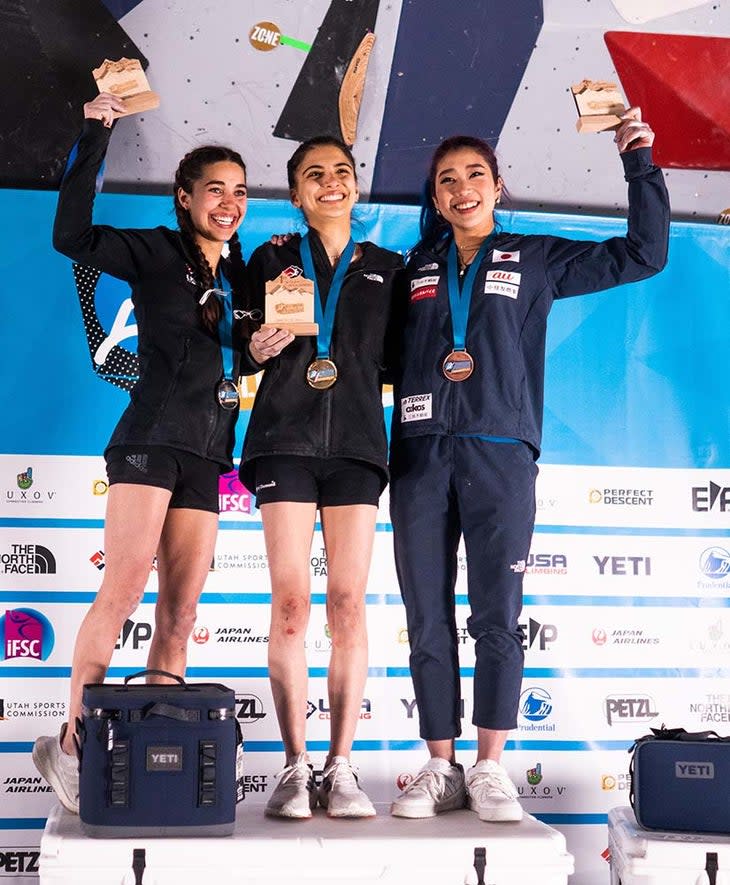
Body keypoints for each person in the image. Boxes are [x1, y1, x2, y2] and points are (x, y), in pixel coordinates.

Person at [389, 109, 669, 821]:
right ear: (434, 193)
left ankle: (489, 765)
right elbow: (374, 355)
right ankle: (439, 764)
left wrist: (637, 158)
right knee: (427, 615)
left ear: (498, 186)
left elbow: (644, 253)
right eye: (447, 180)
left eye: (474, 175)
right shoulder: (413, 269)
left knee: (497, 617)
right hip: (419, 454)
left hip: (501, 454)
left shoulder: (535, 257)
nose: (461, 189)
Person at [33, 92, 249, 813]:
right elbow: (72, 236)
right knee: (122, 591)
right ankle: (69, 742)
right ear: (185, 197)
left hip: (208, 452)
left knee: (180, 615)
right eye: (214, 188)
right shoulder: (156, 251)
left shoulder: (244, 282)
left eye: (240, 190)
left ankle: (161, 746)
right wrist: (96, 129)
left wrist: (264, 346)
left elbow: (243, 354)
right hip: (149, 441)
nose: (228, 201)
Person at [239, 136, 403, 818]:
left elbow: (398, 362)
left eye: (341, 171)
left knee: (346, 603)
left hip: (358, 447)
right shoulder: (270, 257)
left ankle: (340, 766)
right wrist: (252, 343)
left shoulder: (389, 268)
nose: (331, 182)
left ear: (355, 186)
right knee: (290, 605)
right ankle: (293, 764)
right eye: (315, 175)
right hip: (283, 440)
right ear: (298, 194)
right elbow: (242, 344)